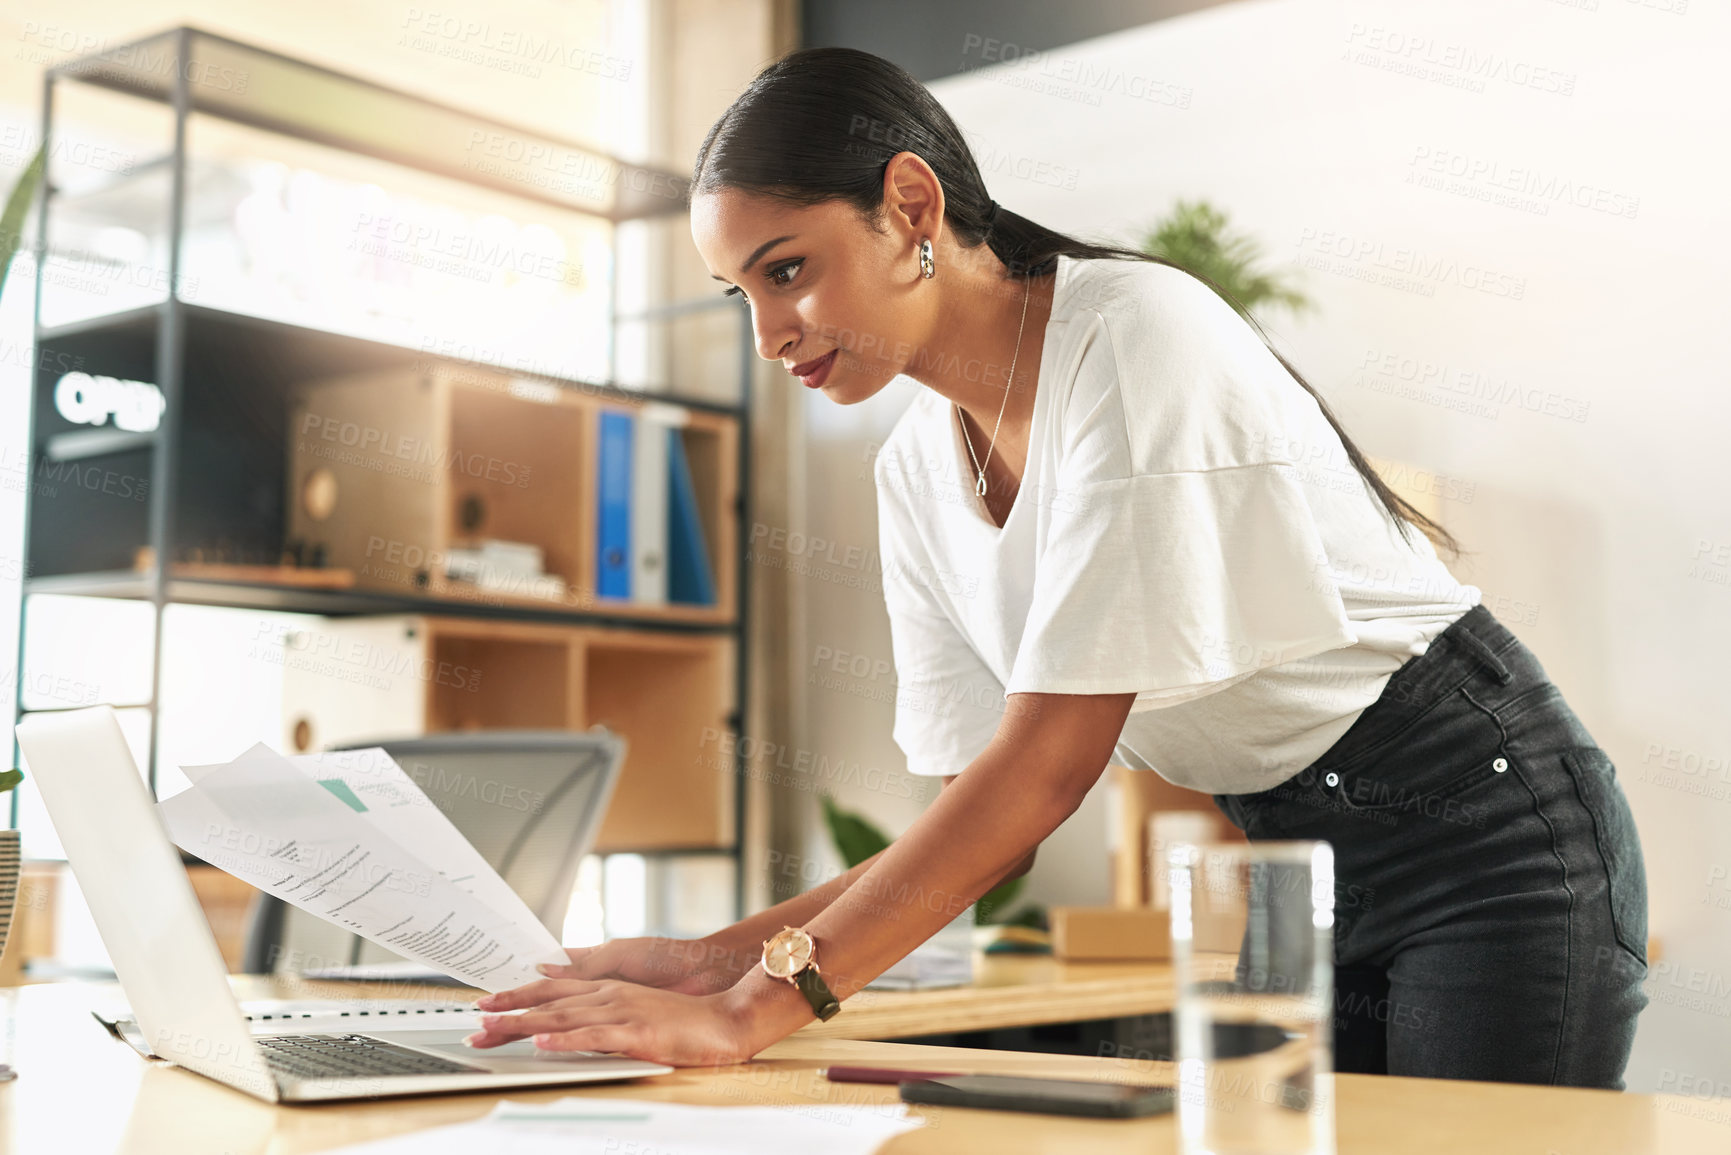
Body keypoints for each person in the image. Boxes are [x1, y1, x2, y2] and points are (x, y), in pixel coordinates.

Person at [462, 46, 1649, 1087]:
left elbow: (1045, 770)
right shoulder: (915, 472)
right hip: (1303, 865)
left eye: (788, 270)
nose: (768, 333)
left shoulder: (1134, 337)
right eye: (741, 295)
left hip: (1490, 835)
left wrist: (750, 1010)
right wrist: (717, 956)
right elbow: (977, 823)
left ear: (910, 205)